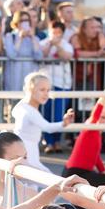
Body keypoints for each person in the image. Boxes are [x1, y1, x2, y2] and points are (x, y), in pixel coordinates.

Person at [61, 93, 105, 209]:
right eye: (103, 117)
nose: (104, 121)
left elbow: (95, 156)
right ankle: (84, 203)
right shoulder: (91, 126)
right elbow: (95, 115)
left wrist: (103, 170)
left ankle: (83, 204)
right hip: (74, 172)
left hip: (79, 172)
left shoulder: (97, 134)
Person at [12, 72, 74, 172]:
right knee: (48, 179)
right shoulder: (29, 111)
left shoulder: (23, 105)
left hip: (28, 151)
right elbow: (47, 127)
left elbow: (14, 112)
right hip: (27, 152)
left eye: (48, 90)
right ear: (30, 89)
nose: (46, 94)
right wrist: (63, 123)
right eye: (42, 90)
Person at [39, 20, 74, 153]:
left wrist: (58, 46)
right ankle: (49, 142)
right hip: (46, 84)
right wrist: (50, 44)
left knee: (58, 114)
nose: (56, 35)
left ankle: (57, 141)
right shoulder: (43, 43)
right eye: (54, 32)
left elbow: (67, 57)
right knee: (46, 113)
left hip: (62, 84)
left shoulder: (66, 45)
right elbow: (41, 55)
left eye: (59, 32)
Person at [4, 11, 43, 91]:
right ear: (17, 23)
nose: (25, 23)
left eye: (27, 20)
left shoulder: (35, 38)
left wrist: (32, 38)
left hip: (30, 74)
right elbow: (12, 55)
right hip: (14, 76)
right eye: (22, 21)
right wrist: (20, 38)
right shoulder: (10, 37)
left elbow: (39, 56)